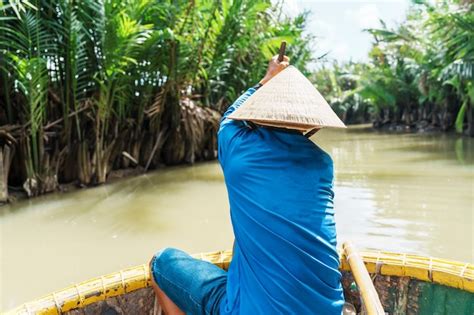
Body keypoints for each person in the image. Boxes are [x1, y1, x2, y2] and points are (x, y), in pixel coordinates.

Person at [149, 55, 344, 314]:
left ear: (260, 113)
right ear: (307, 121)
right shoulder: (322, 164)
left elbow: (229, 119)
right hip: (327, 309)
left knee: (161, 262)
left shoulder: (241, 152)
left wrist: (266, 79)